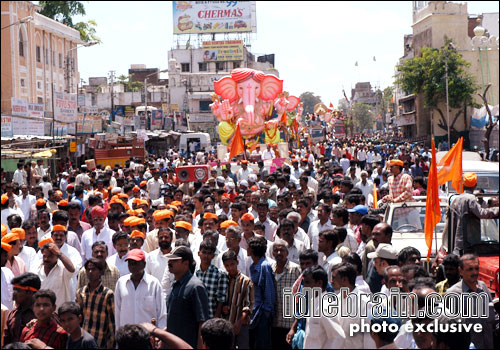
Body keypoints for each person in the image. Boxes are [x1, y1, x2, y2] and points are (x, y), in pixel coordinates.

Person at [445, 254, 495, 349]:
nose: (475, 272)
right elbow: (449, 327)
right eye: (470, 269)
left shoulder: (483, 287)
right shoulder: (453, 294)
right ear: (460, 271)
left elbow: (492, 317)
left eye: (476, 268)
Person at [166, 246, 210, 348]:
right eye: (169, 260)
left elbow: (202, 321)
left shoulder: (195, 286)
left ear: (186, 263)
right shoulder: (176, 285)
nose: (169, 262)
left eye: (174, 260)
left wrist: (201, 347)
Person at [114, 248, 166, 330]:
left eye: (136, 263)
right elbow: (117, 312)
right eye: (130, 263)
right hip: (126, 335)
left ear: (144, 264)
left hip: (148, 336)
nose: (133, 266)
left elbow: (161, 314)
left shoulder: (154, 284)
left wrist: (159, 337)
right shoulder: (121, 283)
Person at [449, 172, 499, 255]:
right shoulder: (471, 198)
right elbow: (482, 214)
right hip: (469, 242)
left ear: (463, 185)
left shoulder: (459, 198)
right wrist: (496, 210)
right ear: (475, 185)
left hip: (460, 240)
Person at [76, 258, 116, 349]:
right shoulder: (81, 293)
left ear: (100, 272)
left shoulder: (107, 294)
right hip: (83, 341)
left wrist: (112, 343)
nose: (90, 272)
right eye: (88, 269)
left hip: (100, 342)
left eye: (94, 269)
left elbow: (111, 322)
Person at [302, 265, 345, 349]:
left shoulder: (324, 307)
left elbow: (339, 337)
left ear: (319, 283)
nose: (304, 287)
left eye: (307, 282)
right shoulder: (314, 302)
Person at [271, 239, 301, 349]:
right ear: (272, 253)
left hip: (290, 323)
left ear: (287, 252)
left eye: (282, 250)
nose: (279, 253)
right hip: (274, 322)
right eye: (276, 250)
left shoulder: (296, 269)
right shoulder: (270, 269)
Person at [247, 235, 276, 349]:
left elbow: (268, 291)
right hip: (254, 312)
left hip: (262, 313)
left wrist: (266, 313)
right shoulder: (252, 266)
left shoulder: (265, 266)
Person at [221, 250, 253, 349]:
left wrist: (239, 323)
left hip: (241, 324)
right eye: (227, 265)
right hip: (226, 323)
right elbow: (221, 299)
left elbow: (248, 305)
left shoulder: (246, 281)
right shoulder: (224, 279)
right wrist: (223, 308)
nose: (230, 268)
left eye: (232, 264)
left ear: (237, 262)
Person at [36, 238, 75, 309]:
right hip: (41, 313)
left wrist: (59, 252)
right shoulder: (37, 268)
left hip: (59, 314)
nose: (46, 259)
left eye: (50, 256)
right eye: (45, 256)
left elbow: (72, 269)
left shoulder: (63, 269)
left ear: (57, 257)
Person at [195, 239, 229, 318]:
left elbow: (221, 299)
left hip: (211, 316)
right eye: (204, 252)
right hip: (195, 317)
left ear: (213, 255)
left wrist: (215, 318)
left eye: (209, 253)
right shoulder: (194, 272)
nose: (206, 256)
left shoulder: (220, 274)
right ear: (199, 253)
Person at [4, 273, 40, 344]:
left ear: (29, 292)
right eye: (13, 290)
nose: (13, 294)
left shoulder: (43, 315)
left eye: (17, 290)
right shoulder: (12, 315)